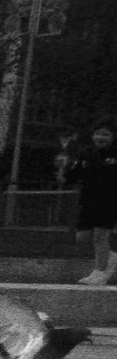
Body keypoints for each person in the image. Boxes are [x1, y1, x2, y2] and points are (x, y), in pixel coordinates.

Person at [64, 120, 116, 285]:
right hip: (88, 201)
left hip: (109, 201)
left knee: (100, 237)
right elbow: (73, 175)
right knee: (82, 238)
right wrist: (66, 170)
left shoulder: (114, 154)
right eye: (98, 133)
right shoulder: (86, 153)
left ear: (113, 137)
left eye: (105, 134)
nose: (100, 137)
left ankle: (99, 273)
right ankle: (111, 258)